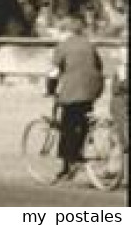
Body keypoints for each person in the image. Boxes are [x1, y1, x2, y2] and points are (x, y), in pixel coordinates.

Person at [48, 16, 105, 183]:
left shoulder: (63, 46)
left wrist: (50, 90)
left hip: (73, 90)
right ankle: (79, 150)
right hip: (93, 88)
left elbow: (54, 72)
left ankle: (68, 163)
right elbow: (99, 66)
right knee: (83, 119)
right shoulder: (89, 44)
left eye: (59, 31)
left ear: (65, 31)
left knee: (67, 125)